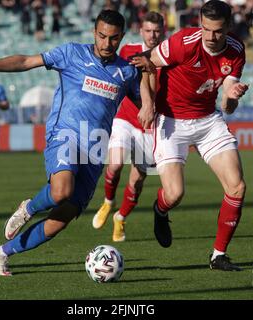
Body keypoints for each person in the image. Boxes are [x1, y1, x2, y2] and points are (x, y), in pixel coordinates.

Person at [0, 10, 153, 276]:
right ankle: (28, 207)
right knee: (61, 191)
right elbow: (26, 61)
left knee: (60, 220)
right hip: (65, 133)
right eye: (102, 36)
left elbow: (149, 108)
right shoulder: (71, 53)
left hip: (95, 149)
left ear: (121, 37)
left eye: (114, 38)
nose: (107, 43)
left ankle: (2, 253)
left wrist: (146, 75)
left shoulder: (127, 71)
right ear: (94, 32)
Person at [132, 0, 249, 271]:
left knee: (237, 186)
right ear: (200, 23)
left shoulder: (236, 50)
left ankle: (218, 255)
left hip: (208, 121)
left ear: (228, 27)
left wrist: (231, 97)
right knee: (175, 194)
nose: (210, 36)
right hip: (171, 122)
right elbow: (147, 64)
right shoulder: (183, 42)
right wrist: (148, 103)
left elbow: (226, 107)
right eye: (206, 29)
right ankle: (160, 211)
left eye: (217, 31)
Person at [92, 11, 165, 242]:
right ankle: (107, 202)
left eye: (156, 31)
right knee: (114, 165)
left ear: (162, 31)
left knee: (137, 180)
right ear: (140, 31)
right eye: (148, 30)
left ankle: (120, 217)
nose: (152, 35)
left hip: (151, 126)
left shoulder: (169, 55)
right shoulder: (126, 51)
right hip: (125, 118)